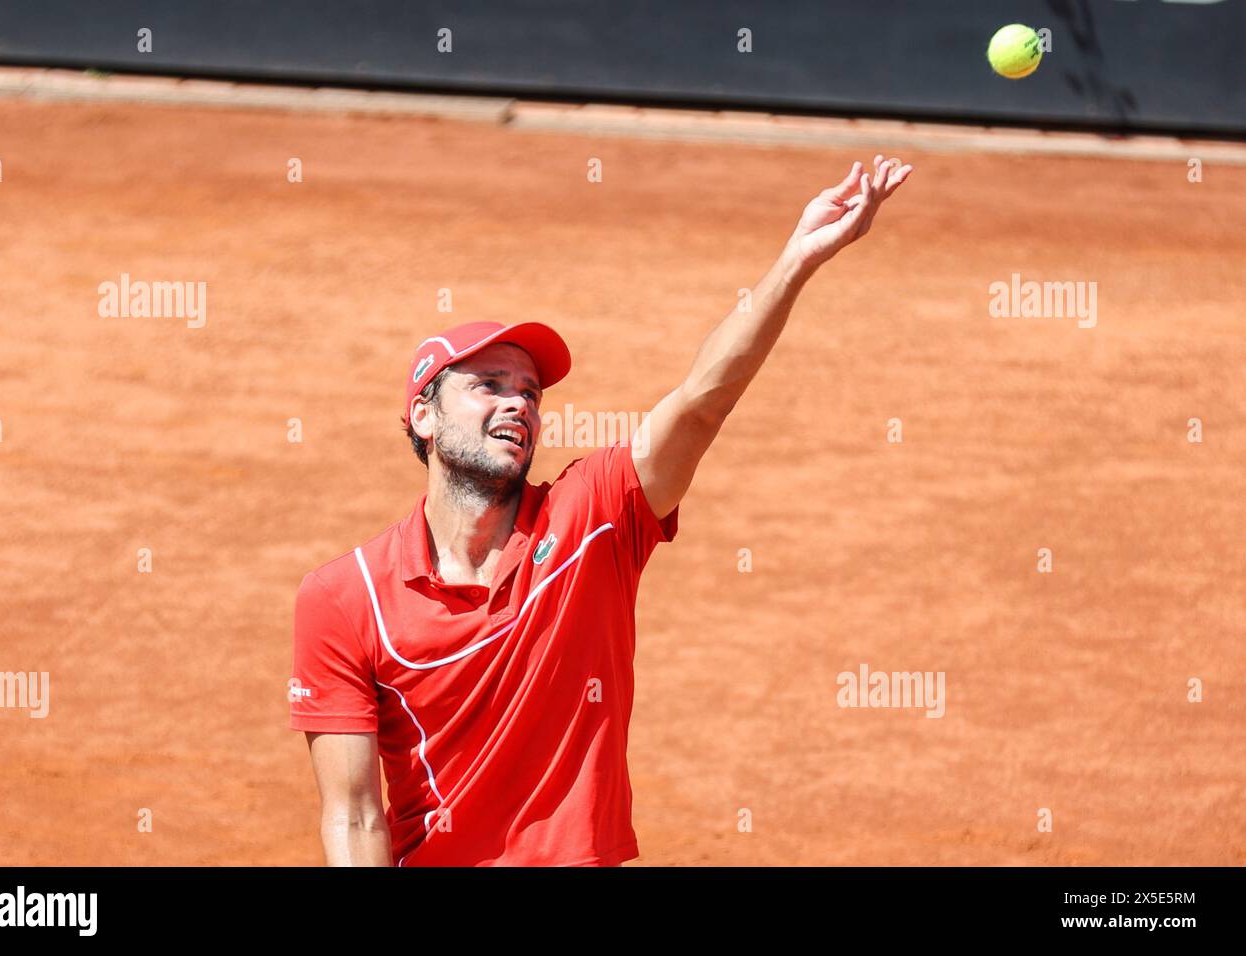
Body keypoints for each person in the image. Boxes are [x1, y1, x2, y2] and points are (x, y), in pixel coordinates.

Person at [290, 155, 913, 865]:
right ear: (423, 417)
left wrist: (796, 261)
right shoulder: (343, 598)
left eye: (530, 392)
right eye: (488, 384)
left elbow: (702, 402)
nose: (518, 402)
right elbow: (355, 816)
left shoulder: (592, 518)